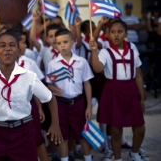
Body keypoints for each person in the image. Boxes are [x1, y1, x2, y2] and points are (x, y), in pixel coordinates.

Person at [0, 32, 62, 160]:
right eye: (2, 45)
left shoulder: (29, 76)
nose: (7, 48)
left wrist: (55, 123)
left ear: (19, 51)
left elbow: (50, 98)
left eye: (12, 45)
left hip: (23, 132)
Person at [90, 20, 146, 161]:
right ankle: (118, 158)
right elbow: (97, 69)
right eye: (113, 32)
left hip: (131, 89)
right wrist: (94, 51)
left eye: (120, 32)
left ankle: (134, 154)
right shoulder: (105, 52)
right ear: (108, 34)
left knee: (140, 127)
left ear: (126, 34)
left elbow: (138, 75)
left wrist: (142, 97)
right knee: (115, 129)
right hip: (113, 91)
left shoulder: (132, 48)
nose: (116, 35)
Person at [46, 29, 93, 161]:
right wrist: (55, 90)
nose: (62, 45)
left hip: (77, 103)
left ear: (72, 42)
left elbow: (87, 84)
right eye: (59, 43)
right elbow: (49, 84)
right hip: (61, 105)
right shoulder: (53, 64)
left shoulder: (81, 62)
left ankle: (88, 158)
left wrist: (89, 106)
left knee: (82, 135)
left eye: (65, 42)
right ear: (55, 45)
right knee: (62, 137)